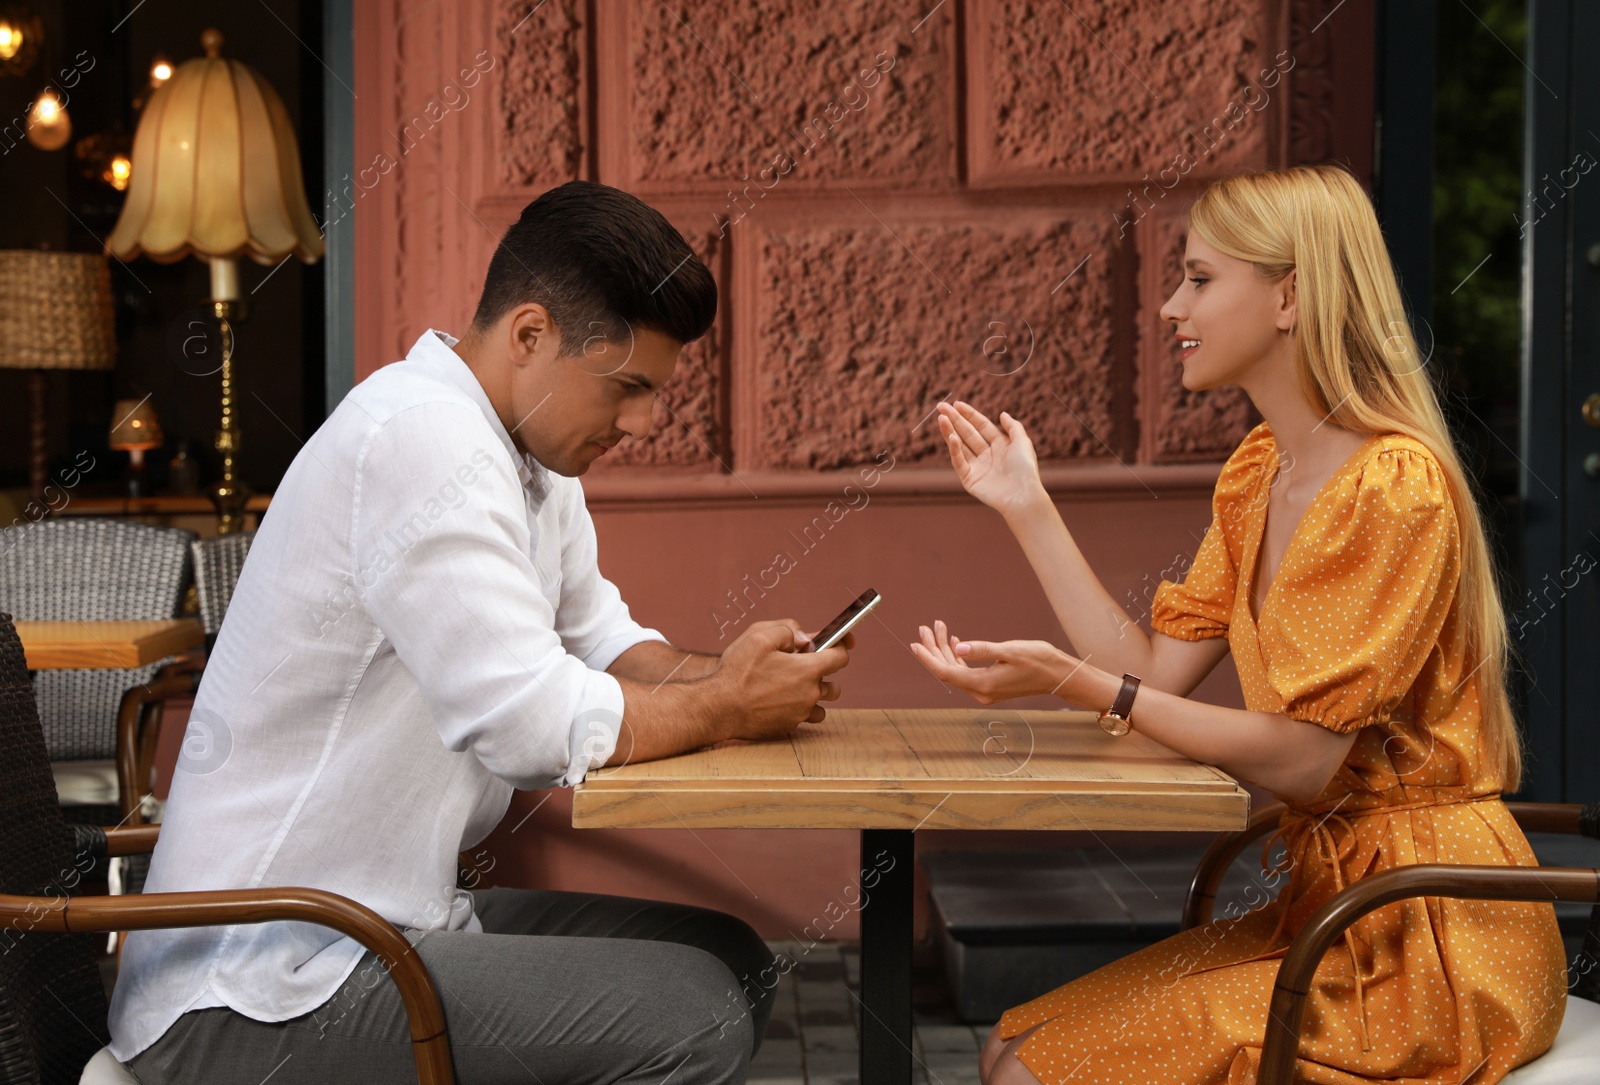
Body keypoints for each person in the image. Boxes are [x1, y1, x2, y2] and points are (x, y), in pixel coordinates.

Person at [109, 180, 853, 1084]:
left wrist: (736, 675)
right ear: (530, 334)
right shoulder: (422, 437)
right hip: (254, 984)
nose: (644, 422)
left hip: (383, 923)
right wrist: (727, 708)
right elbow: (527, 722)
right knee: (693, 1016)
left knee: (733, 959)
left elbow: (605, 643)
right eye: (627, 387)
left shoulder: (531, 462)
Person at [909, 164, 1566, 1085]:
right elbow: (1156, 669)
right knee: (1012, 1044)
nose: (1172, 306)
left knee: (1031, 1074)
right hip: (1331, 906)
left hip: (1431, 938)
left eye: (1200, 279)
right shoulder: (1261, 471)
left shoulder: (1391, 485)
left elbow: (1302, 759)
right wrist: (1027, 505)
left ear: (1290, 295)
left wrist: (1074, 680)